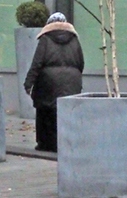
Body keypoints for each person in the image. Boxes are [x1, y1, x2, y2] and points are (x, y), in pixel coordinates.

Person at [24, 11, 84, 152]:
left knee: (46, 112)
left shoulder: (45, 39)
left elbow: (37, 63)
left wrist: (29, 83)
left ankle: (46, 144)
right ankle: (66, 143)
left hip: (48, 84)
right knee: (67, 113)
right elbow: (81, 63)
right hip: (72, 82)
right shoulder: (74, 39)